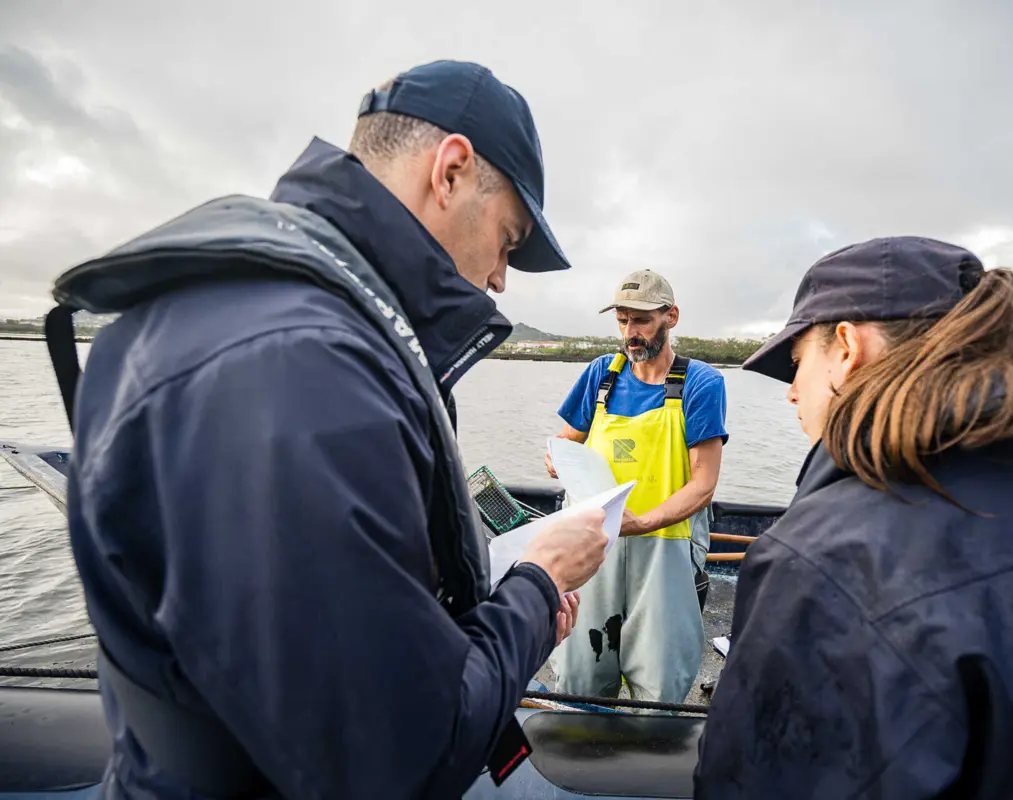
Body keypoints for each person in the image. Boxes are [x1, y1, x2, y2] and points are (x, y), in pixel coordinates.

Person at [51, 61, 609, 798]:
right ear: (449, 172)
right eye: (507, 241)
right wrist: (539, 585)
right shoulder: (301, 370)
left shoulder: (256, 318)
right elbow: (398, 757)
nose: (501, 279)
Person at [695, 237, 1013, 797]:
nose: (792, 392)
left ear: (847, 347)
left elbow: (750, 780)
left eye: (797, 363)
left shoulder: (821, 560)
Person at [544, 269, 728, 704]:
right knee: (580, 673)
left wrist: (641, 523)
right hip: (594, 544)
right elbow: (565, 442)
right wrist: (556, 458)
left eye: (642, 320)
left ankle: (652, 744)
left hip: (665, 548)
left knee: (659, 681)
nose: (630, 332)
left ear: (671, 317)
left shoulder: (701, 383)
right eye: (623, 320)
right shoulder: (600, 375)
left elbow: (703, 485)